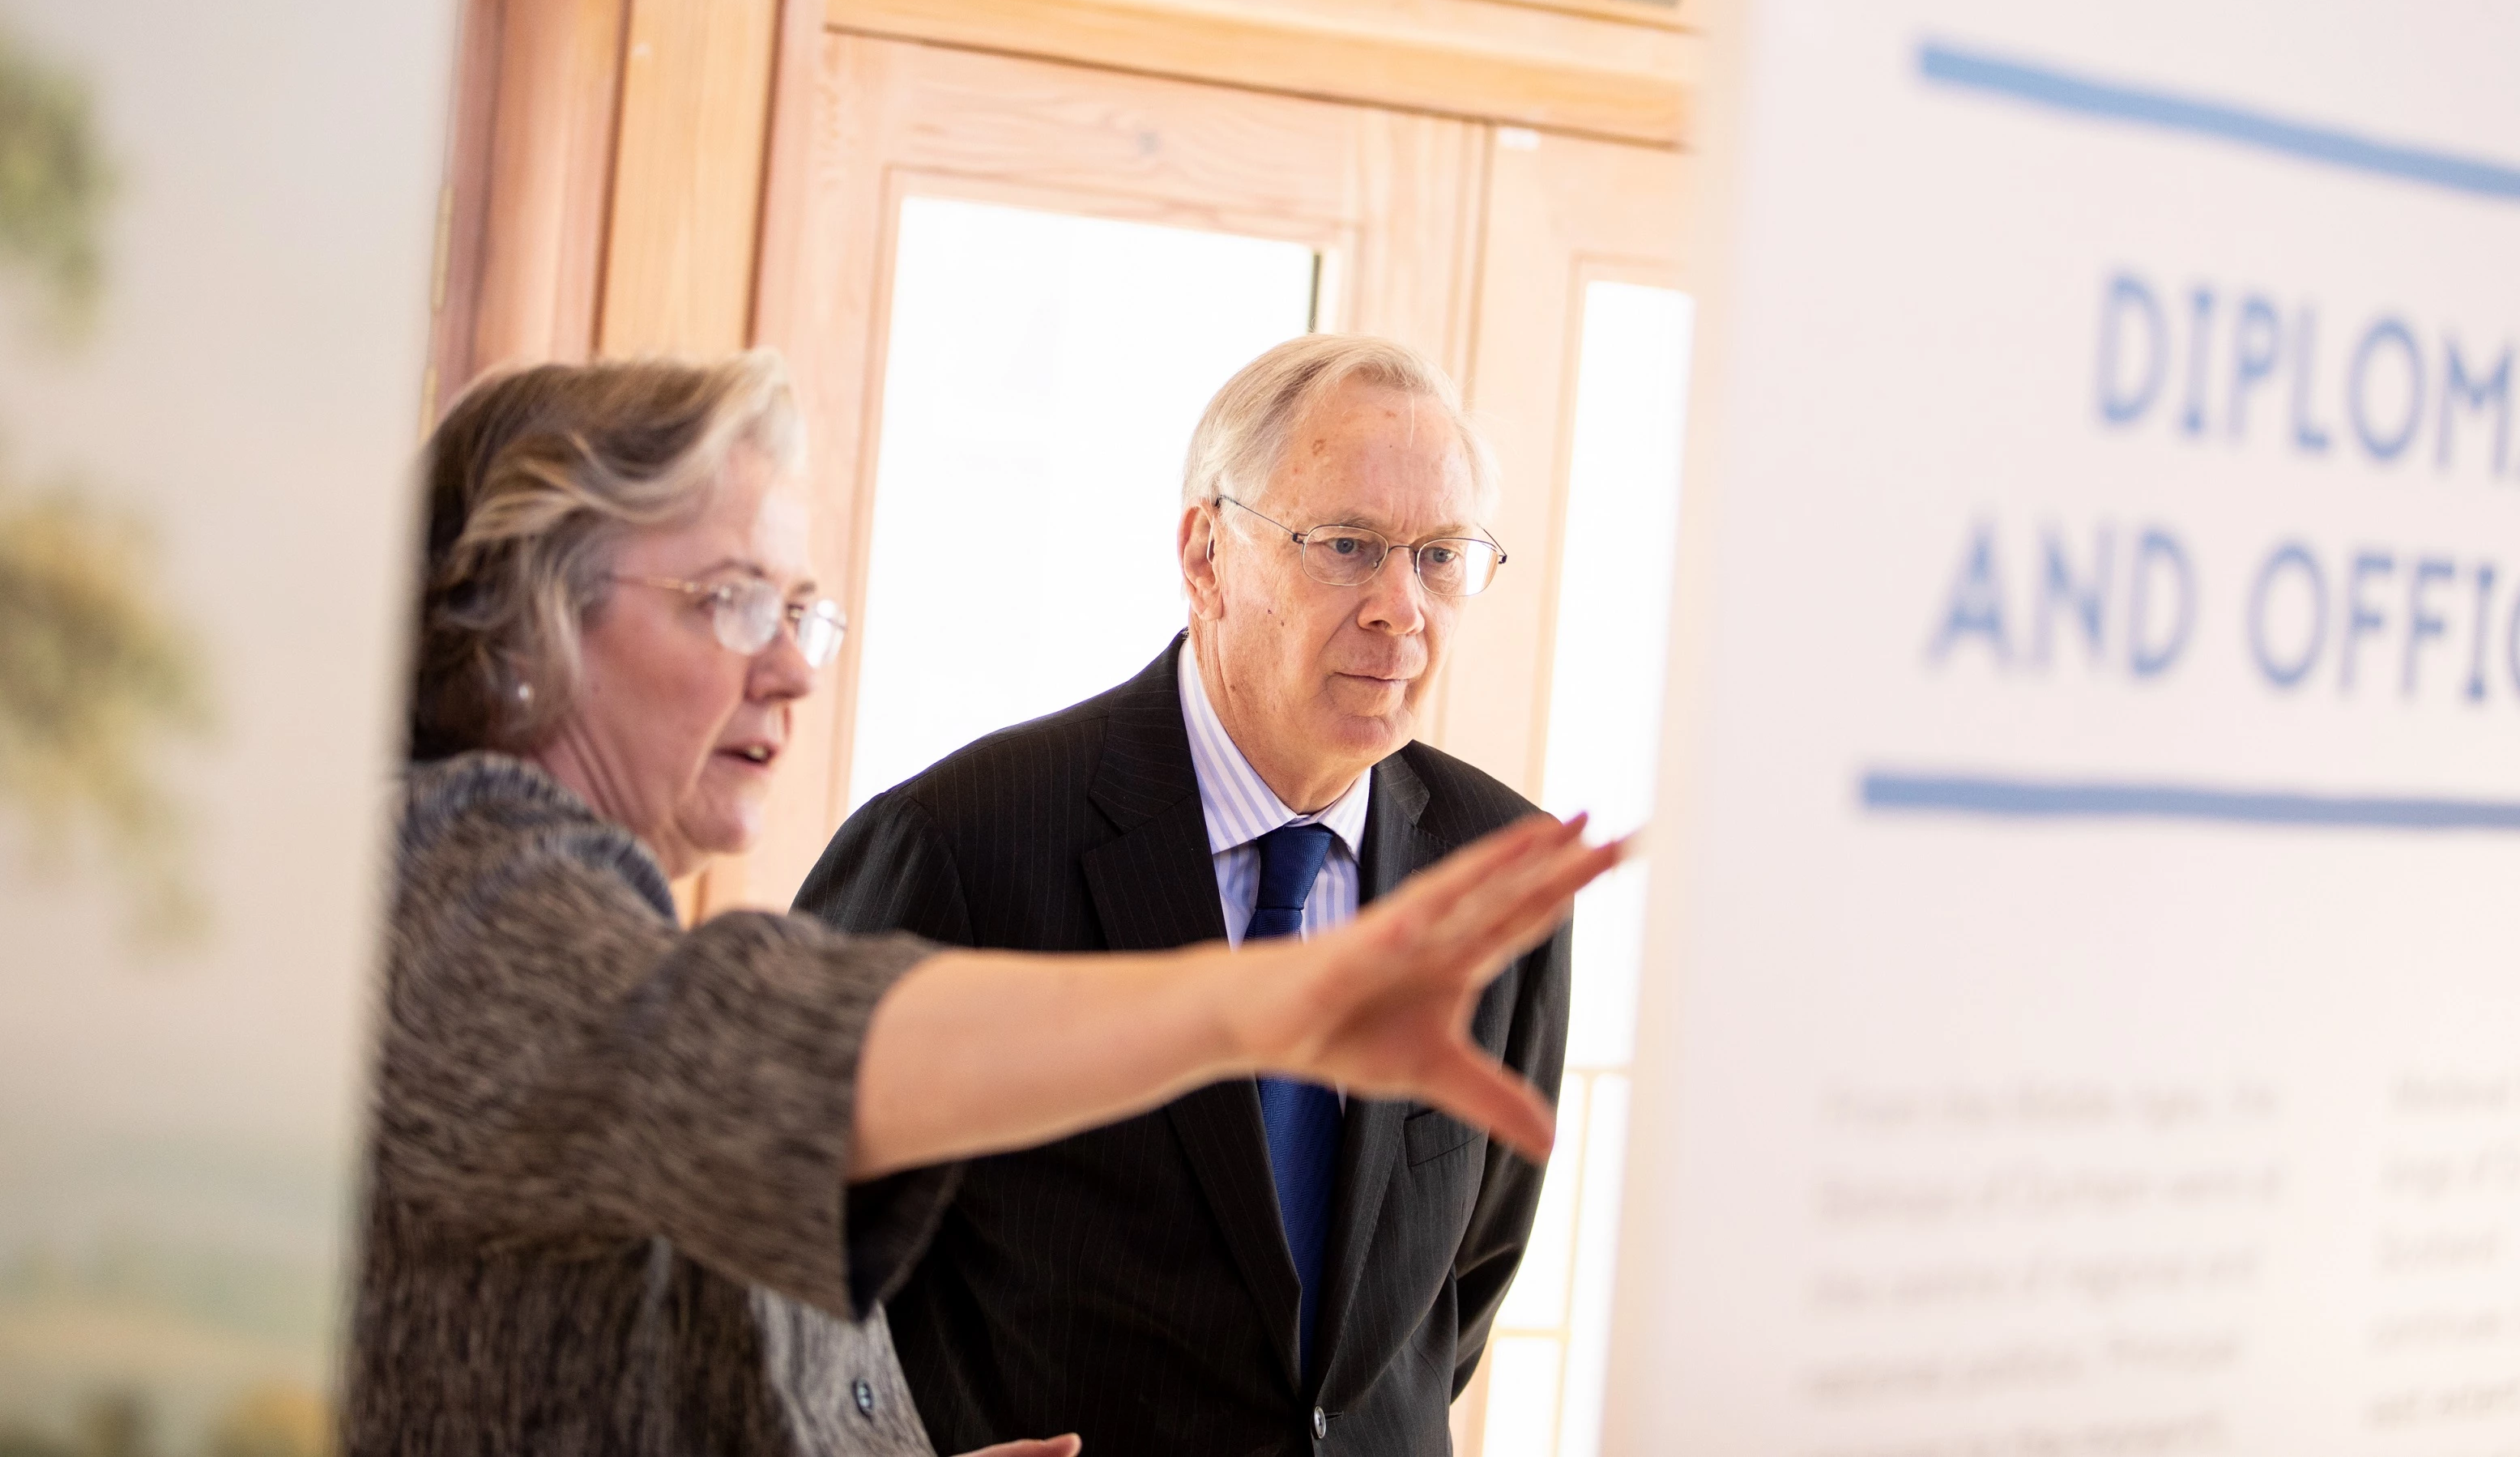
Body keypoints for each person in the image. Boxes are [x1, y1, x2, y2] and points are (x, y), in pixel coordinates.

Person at [349, 354, 1619, 1457]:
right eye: (730, 599)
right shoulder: (450, 886)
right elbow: (778, 1060)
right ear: (516, 622)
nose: (792, 669)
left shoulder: (579, 900)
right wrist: (1262, 1002)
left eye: (800, 611)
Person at [795, 336, 1567, 1457]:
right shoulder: (959, 845)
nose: (1402, 609)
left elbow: (1456, 1297)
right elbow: (761, 1264)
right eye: (1346, 546)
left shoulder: (1502, 870)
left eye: (1442, 555)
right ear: (1206, 553)